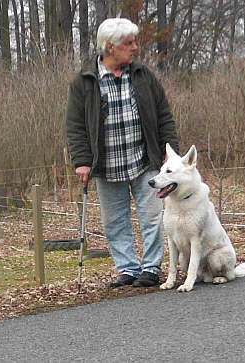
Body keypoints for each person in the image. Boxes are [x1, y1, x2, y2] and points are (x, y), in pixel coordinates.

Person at [65, 18, 179, 288]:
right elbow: (75, 126)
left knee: (152, 216)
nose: (135, 48)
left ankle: (151, 268)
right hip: (106, 164)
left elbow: (164, 114)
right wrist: (81, 161)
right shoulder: (84, 82)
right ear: (110, 47)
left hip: (144, 160)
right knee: (115, 221)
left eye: (134, 42)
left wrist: (169, 150)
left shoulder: (143, 75)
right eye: (128, 43)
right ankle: (127, 268)